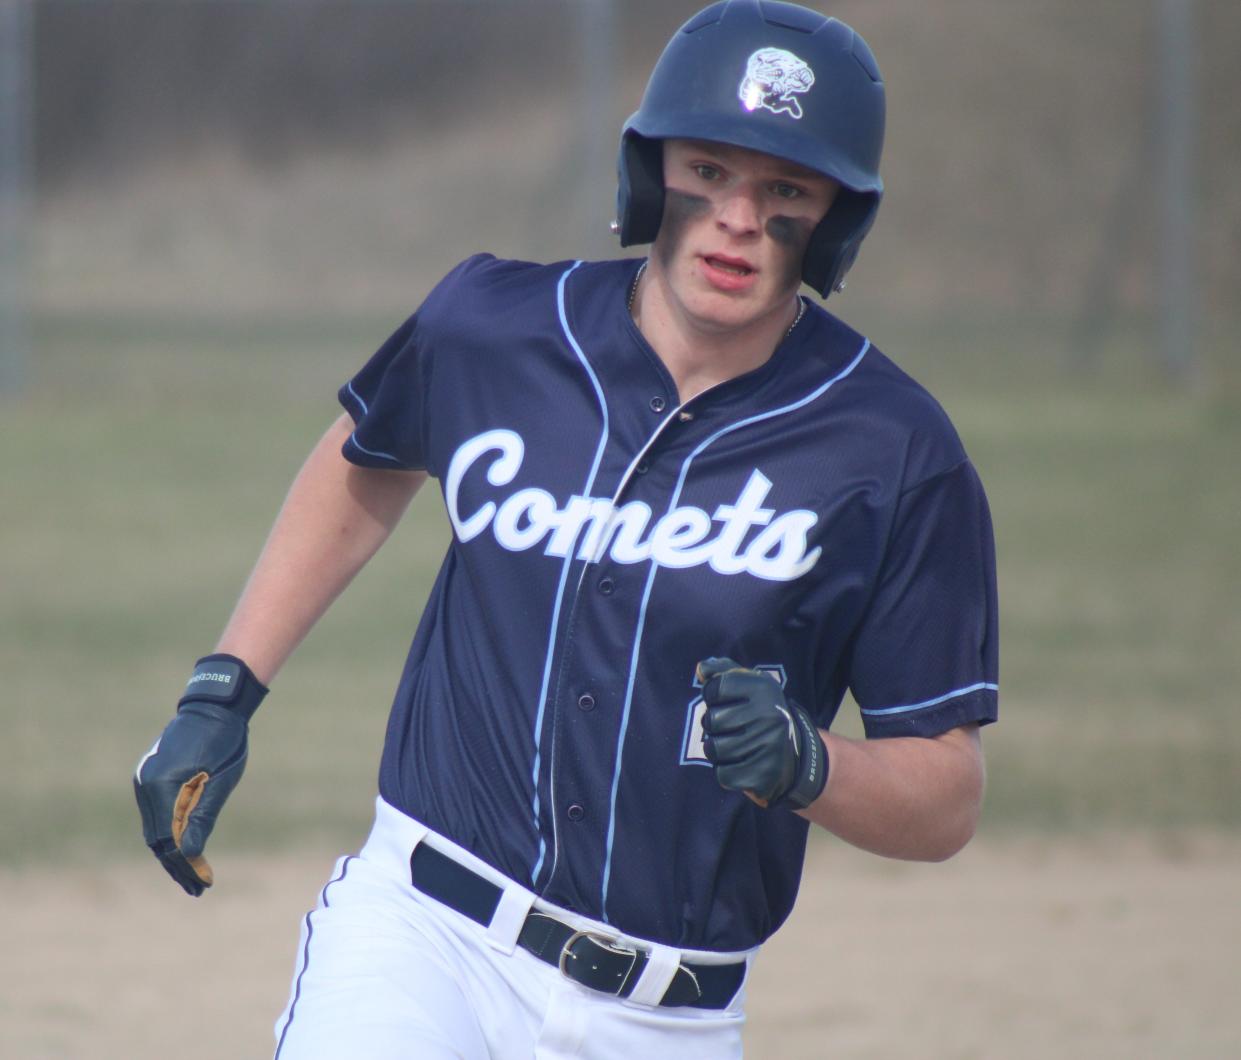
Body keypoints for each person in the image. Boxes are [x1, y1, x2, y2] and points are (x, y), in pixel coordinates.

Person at [133, 2, 998, 1057]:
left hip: (666, 1015)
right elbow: (364, 463)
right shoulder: (494, 329)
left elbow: (946, 795)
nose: (737, 215)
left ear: (835, 220)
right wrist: (225, 687)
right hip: (426, 938)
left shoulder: (892, 448)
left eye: (785, 189)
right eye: (712, 168)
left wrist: (811, 765)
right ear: (652, 171)